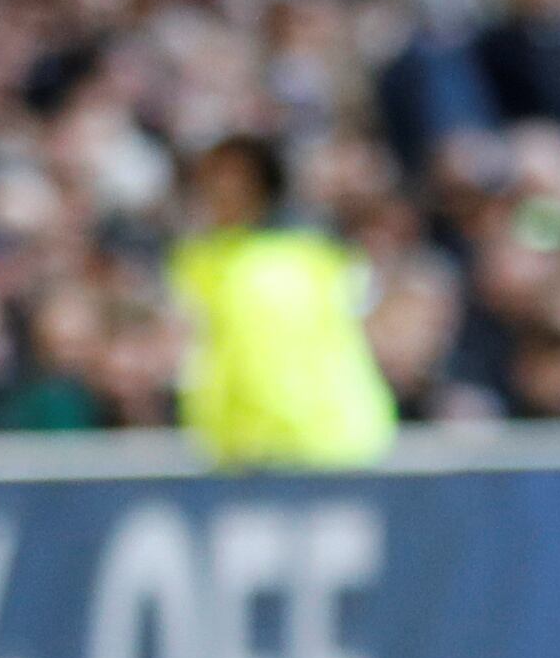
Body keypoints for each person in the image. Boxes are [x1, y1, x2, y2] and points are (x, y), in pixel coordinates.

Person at [167, 134, 397, 469]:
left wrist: (246, 445)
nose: (213, 195)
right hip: (341, 448)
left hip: (290, 456)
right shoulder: (320, 256)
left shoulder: (256, 272)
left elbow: (263, 372)